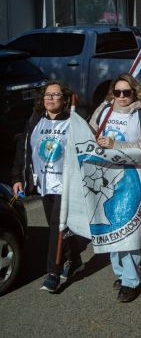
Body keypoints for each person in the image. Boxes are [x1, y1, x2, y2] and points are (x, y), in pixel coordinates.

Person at [89, 74, 141, 302]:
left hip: (132, 176)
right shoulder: (104, 109)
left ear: (134, 92)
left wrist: (116, 145)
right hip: (104, 175)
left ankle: (131, 280)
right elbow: (89, 134)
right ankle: (121, 272)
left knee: (127, 228)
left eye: (126, 92)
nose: (121, 97)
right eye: (117, 92)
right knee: (109, 225)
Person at [12, 81, 86, 293]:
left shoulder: (73, 119)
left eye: (55, 95)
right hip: (44, 183)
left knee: (56, 226)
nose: (50, 98)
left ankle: (52, 272)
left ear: (64, 99)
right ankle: (75, 261)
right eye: (47, 95)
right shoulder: (36, 119)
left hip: (67, 184)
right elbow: (23, 149)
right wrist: (17, 176)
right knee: (61, 227)